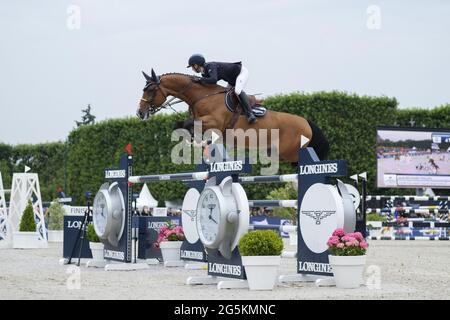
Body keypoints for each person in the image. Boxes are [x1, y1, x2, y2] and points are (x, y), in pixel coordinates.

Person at [187, 54, 257, 124]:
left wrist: (199, 79)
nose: (192, 69)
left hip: (241, 73)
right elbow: (210, 85)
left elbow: (213, 80)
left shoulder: (210, 66)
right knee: (227, 95)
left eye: (192, 67)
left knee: (237, 91)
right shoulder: (204, 73)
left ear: (196, 65)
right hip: (231, 80)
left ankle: (250, 114)